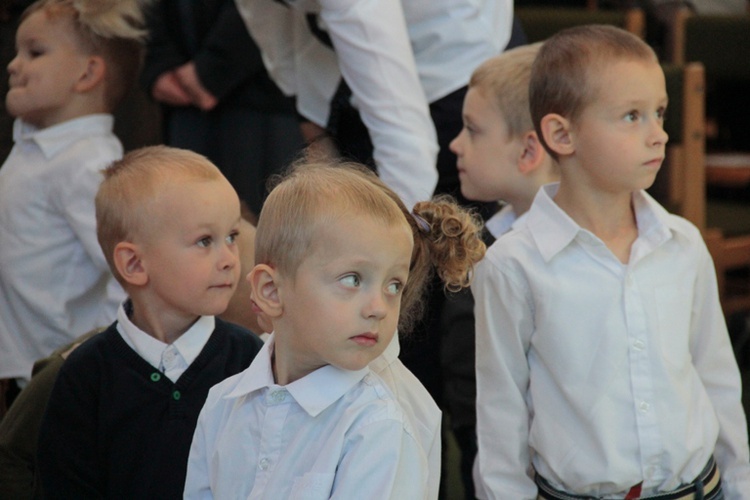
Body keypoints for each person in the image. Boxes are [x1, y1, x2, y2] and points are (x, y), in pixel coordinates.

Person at [473, 24, 750, 499]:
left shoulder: (681, 245)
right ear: (561, 133)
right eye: (631, 116)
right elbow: (502, 417)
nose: (659, 135)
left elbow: (718, 381)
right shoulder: (514, 265)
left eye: (660, 113)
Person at [183, 160, 486, 499]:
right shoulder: (222, 404)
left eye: (393, 285)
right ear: (270, 290)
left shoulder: (377, 427)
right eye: (352, 280)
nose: (378, 308)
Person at [36, 145, 265, 498]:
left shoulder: (251, 359)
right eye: (205, 241)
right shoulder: (86, 376)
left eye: (231, 236)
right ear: (134, 264)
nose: (230, 259)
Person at [0, 0, 145, 412]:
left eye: (35, 52)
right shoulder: (36, 150)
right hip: (25, 370)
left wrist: (92, 350)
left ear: (87, 73)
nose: (13, 65)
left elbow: (127, 272)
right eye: (16, 52)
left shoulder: (85, 164)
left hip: (58, 380)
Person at [443, 41, 558, 500]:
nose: (454, 143)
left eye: (472, 130)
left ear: (529, 151)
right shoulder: (490, 239)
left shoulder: (538, 261)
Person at [140, 0, 302, 219]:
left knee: (266, 221)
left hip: (260, 101)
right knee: (190, 220)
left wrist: (211, 71)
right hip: (183, 105)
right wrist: (159, 62)